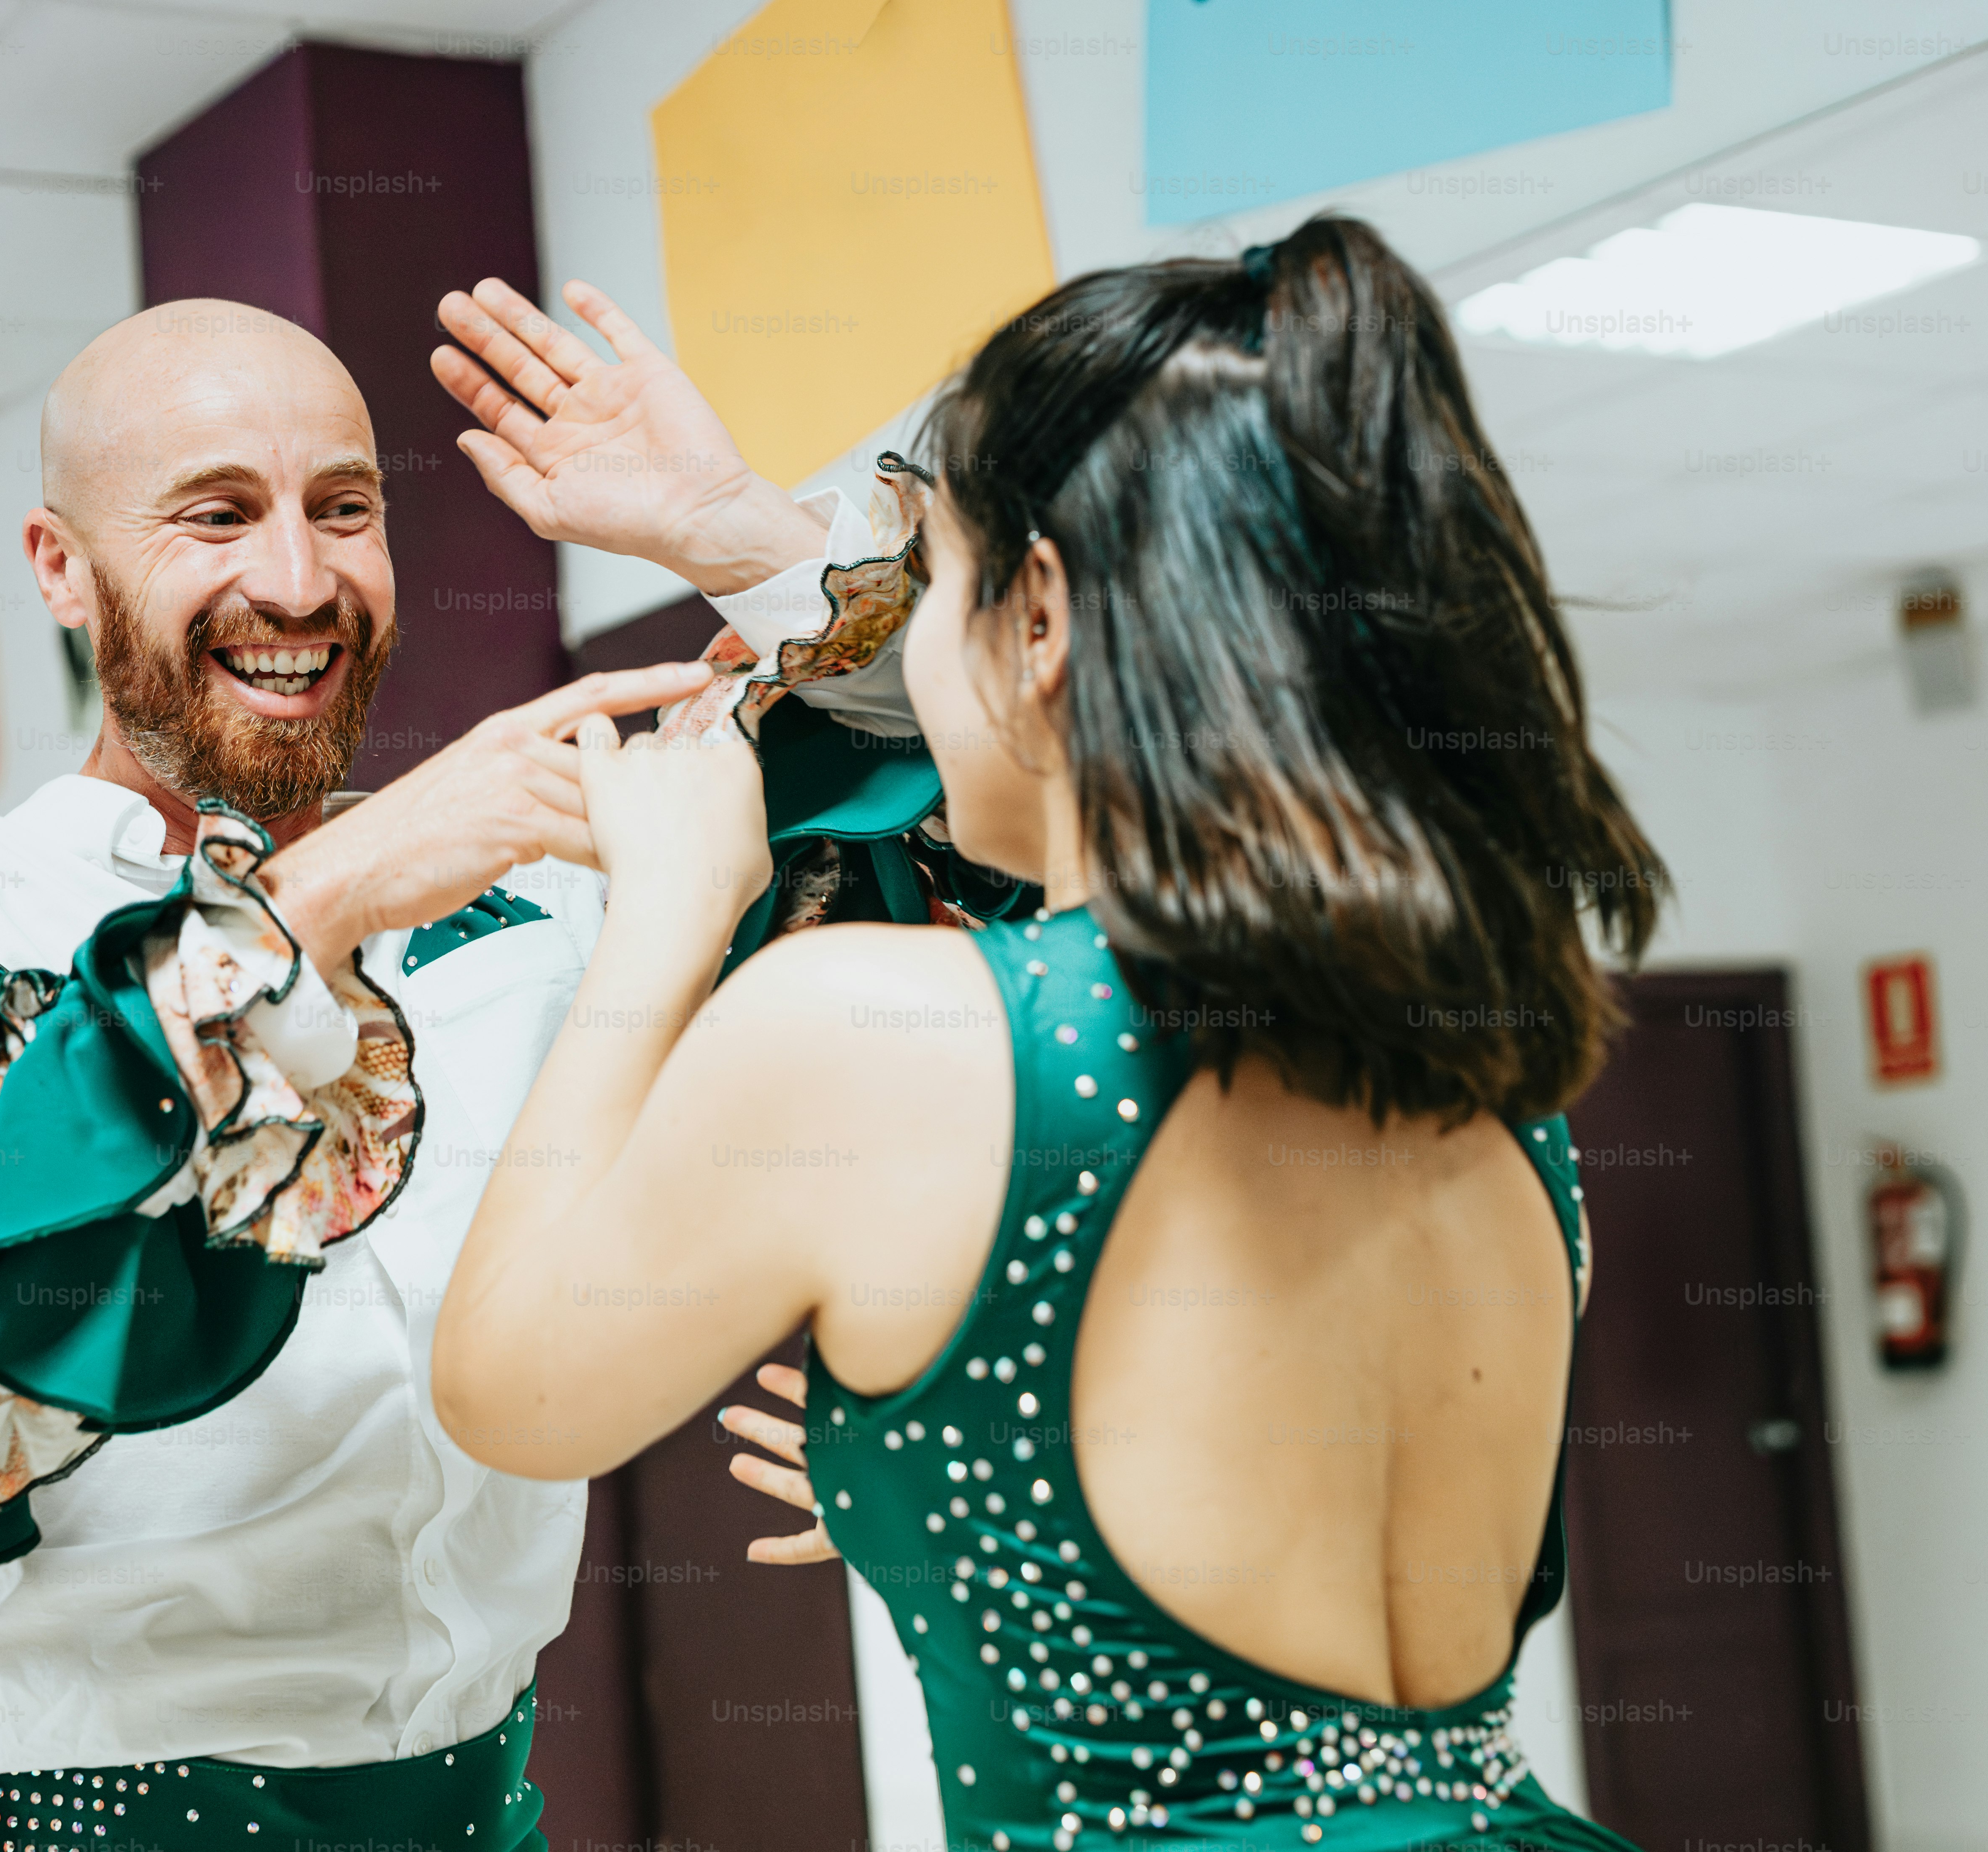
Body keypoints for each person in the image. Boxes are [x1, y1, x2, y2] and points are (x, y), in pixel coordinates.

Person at [0, 298, 833, 1852]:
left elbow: (984, 850)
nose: (296, 580)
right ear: (58, 567)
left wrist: (743, 541)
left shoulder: (541, 887)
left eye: (341, 509)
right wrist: (315, 907)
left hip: (482, 1802)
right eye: (215, 514)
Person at [429, 217, 1662, 1852]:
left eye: (929, 583)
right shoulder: (1488, 1078)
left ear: (1040, 622)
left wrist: (663, 917)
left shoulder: (891, 1037)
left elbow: (506, 1387)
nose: (908, 648)